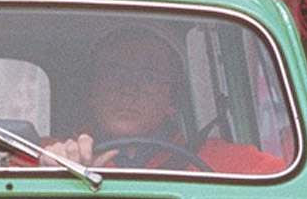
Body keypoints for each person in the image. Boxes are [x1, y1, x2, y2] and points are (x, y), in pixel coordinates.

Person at [41, 28, 288, 175]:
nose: (128, 89)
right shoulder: (45, 154)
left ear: (172, 99)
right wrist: (52, 175)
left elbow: (290, 183)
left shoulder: (216, 159)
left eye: (149, 77)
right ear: (91, 91)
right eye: (113, 72)